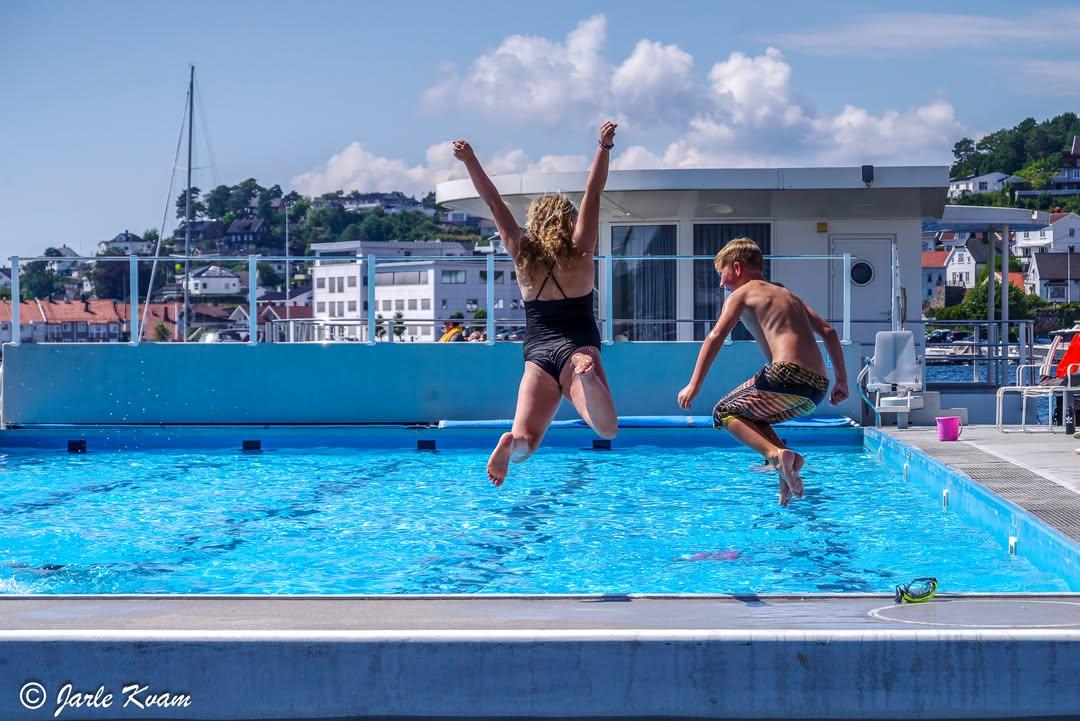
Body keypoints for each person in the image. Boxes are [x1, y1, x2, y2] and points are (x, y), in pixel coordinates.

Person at [452, 122, 619, 486]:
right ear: (568, 220)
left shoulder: (521, 251)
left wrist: (470, 160)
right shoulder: (580, 249)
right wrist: (603, 147)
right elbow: (594, 192)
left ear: (535, 222)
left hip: (538, 354)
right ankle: (586, 376)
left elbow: (493, 201)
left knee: (526, 442)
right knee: (605, 430)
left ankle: (509, 445)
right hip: (577, 348)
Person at [676, 238, 849, 506]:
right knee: (752, 417)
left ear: (736, 268)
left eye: (721, 274)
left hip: (785, 375)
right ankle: (785, 464)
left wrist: (694, 384)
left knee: (723, 412)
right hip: (816, 388)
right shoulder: (787, 294)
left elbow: (715, 336)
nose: (721, 284)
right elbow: (828, 331)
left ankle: (776, 456)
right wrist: (842, 380)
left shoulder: (742, 294)